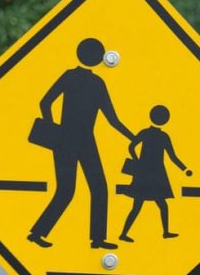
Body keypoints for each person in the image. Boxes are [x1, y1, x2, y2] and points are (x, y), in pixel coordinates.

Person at [28, 38, 134, 249]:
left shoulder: (71, 77)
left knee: (68, 190)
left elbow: (45, 102)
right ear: (98, 58)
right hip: (83, 140)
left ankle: (39, 233)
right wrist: (133, 137)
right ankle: (96, 239)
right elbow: (112, 120)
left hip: (67, 139)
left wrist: (54, 129)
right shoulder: (97, 84)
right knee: (97, 189)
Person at [118, 105, 191, 242]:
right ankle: (126, 233)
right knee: (154, 205)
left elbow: (132, 146)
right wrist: (185, 169)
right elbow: (172, 157)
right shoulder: (163, 136)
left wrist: (137, 159)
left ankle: (164, 232)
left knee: (144, 205)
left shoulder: (146, 133)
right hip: (155, 173)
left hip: (147, 172)